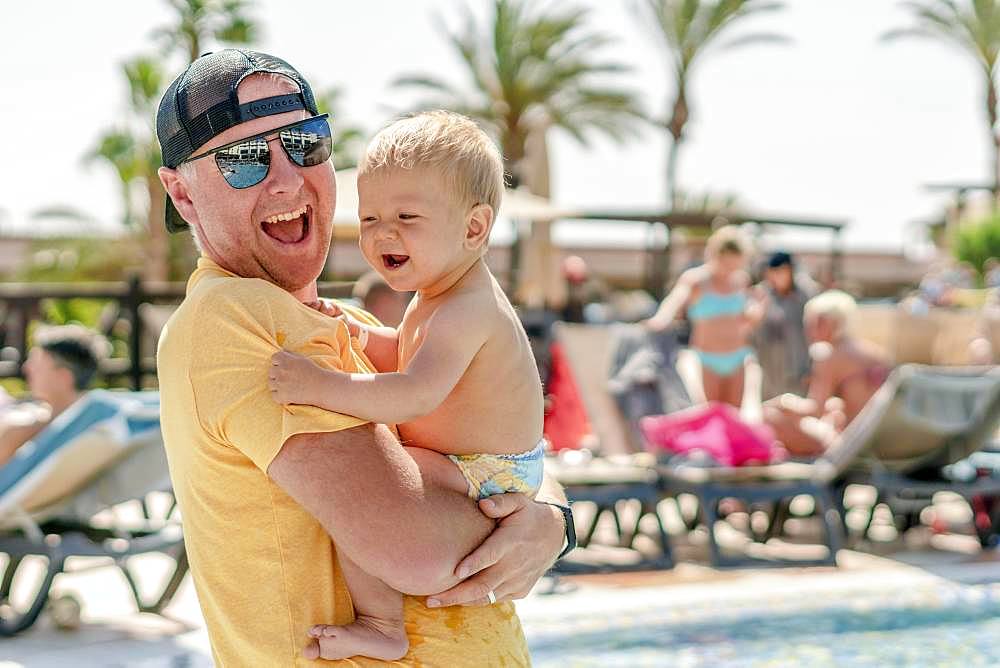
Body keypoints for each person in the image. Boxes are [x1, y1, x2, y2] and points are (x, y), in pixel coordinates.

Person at [154, 50, 570, 666]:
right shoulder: (236, 318)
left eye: (303, 142)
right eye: (242, 160)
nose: (287, 179)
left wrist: (552, 519)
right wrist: (525, 520)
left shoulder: (366, 329)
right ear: (183, 193)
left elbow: (495, 441)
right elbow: (418, 551)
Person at [267, 111, 545, 661]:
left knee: (363, 497)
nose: (383, 234)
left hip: (486, 470)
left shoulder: (467, 309)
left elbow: (414, 393)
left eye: (406, 216)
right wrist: (358, 336)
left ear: (473, 227)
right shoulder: (439, 292)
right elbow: (406, 353)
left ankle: (381, 623)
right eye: (369, 218)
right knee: (373, 482)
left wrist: (321, 384)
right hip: (480, 458)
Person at [644, 225, 763, 408]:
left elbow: (744, 317)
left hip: (738, 357)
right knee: (711, 413)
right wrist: (661, 318)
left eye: (735, 264)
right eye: (727, 264)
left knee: (734, 416)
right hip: (708, 359)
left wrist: (754, 313)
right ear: (715, 255)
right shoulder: (696, 280)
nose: (730, 270)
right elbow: (675, 299)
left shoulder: (741, 280)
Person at [763, 290, 892, 456]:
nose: (810, 330)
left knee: (770, 416)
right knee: (833, 408)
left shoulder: (829, 356)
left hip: (850, 442)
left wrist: (784, 402)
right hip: (878, 437)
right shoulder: (874, 353)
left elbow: (815, 409)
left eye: (817, 322)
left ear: (835, 323)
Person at [0, 325, 106, 468]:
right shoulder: (103, 422)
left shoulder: (22, 431)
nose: (27, 368)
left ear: (64, 377)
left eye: (36, 363)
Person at [752, 251, 815, 400]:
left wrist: (812, 368)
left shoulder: (805, 295)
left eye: (782, 271)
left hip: (799, 367)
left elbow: (814, 332)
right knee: (770, 411)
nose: (777, 276)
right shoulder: (763, 294)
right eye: (774, 272)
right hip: (770, 367)